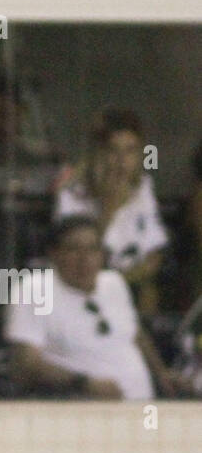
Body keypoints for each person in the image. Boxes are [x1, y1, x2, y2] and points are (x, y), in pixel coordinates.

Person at [6, 216, 178, 400]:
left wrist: (162, 374)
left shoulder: (114, 282)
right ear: (53, 253)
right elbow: (25, 365)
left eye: (93, 249)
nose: (85, 259)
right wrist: (84, 384)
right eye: (74, 249)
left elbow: (134, 334)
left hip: (142, 412)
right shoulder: (35, 289)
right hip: (83, 416)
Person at [54, 109, 168, 317]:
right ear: (97, 153)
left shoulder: (142, 187)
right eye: (113, 150)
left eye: (130, 151)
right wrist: (110, 208)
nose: (121, 160)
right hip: (85, 291)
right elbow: (77, 260)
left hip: (134, 287)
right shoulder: (72, 193)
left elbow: (154, 252)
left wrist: (128, 281)